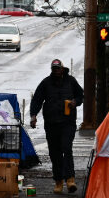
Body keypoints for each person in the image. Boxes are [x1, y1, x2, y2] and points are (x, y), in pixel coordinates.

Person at [30, 59, 84, 194]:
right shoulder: (46, 83)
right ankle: (58, 181)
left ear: (62, 68)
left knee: (67, 148)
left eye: (58, 69)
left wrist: (75, 102)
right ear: (51, 70)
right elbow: (37, 99)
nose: (56, 71)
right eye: (54, 69)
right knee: (55, 153)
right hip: (51, 123)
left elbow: (80, 95)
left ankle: (70, 179)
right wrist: (33, 116)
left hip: (68, 122)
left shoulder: (71, 81)